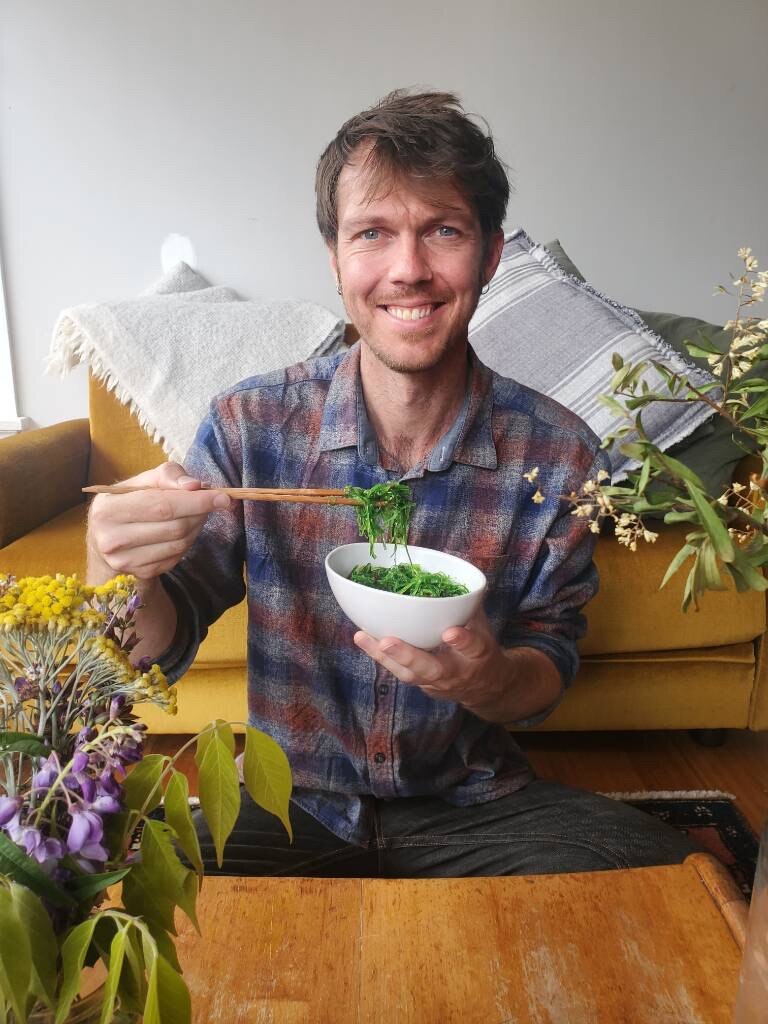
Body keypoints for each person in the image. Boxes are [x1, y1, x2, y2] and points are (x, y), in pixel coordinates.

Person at [87, 89, 698, 877]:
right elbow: (151, 654)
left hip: (474, 812)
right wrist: (118, 568)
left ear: (488, 256)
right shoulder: (251, 424)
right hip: (286, 805)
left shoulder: (559, 454)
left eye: (443, 230)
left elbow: (547, 665)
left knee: (675, 882)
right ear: (336, 258)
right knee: (106, 887)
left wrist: (489, 676)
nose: (408, 270)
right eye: (373, 233)